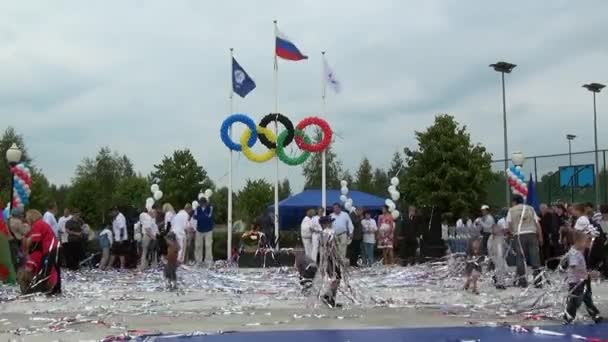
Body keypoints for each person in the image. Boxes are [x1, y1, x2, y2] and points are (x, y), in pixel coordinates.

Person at [562, 231, 602, 324]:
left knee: (587, 298)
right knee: (575, 300)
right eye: (585, 242)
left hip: (582, 280)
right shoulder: (574, 254)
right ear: (578, 242)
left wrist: (587, 274)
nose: (586, 244)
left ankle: (595, 315)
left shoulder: (577, 252)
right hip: (576, 282)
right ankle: (568, 316)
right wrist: (589, 274)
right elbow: (574, 267)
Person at [19, 209, 61, 295]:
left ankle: (40, 289)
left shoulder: (37, 225)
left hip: (49, 248)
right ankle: (56, 289)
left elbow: (36, 241)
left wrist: (30, 250)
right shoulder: (42, 224)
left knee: (44, 270)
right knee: (54, 269)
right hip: (55, 247)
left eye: (27, 217)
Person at [507, 195, 543, 288]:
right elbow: (537, 223)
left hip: (519, 235)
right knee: (535, 258)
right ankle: (538, 281)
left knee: (520, 258)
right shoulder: (530, 208)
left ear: (514, 202)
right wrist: (540, 237)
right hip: (532, 234)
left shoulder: (511, 210)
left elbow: (509, 225)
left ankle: (522, 281)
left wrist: (512, 234)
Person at [318, 215, 344, 308]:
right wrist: (339, 258)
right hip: (331, 258)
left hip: (325, 258)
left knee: (334, 278)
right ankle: (327, 296)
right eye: (330, 222)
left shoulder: (321, 234)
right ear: (326, 223)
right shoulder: (330, 232)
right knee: (336, 278)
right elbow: (333, 247)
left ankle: (331, 299)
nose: (331, 223)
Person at [487, 209, 507, 290]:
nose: (498, 230)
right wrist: (491, 256)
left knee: (505, 268)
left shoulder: (500, 237)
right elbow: (489, 247)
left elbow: (504, 244)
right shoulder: (491, 238)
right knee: (499, 268)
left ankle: (497, 279)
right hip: (495, 256)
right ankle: (500, 283)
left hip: (501, 256)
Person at [194, 198, 214, 266]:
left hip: (208, 229)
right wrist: (202, 217)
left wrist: (202, 216)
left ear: (205, 203)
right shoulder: (197, 208)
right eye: (200, 203)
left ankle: (208, 261)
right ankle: (198, 260)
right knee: (198, 245)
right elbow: (195, 217)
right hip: (199, 229)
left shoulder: (210, 208)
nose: (201, 204)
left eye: (203, 203)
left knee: (208, 245)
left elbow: (210, 217)